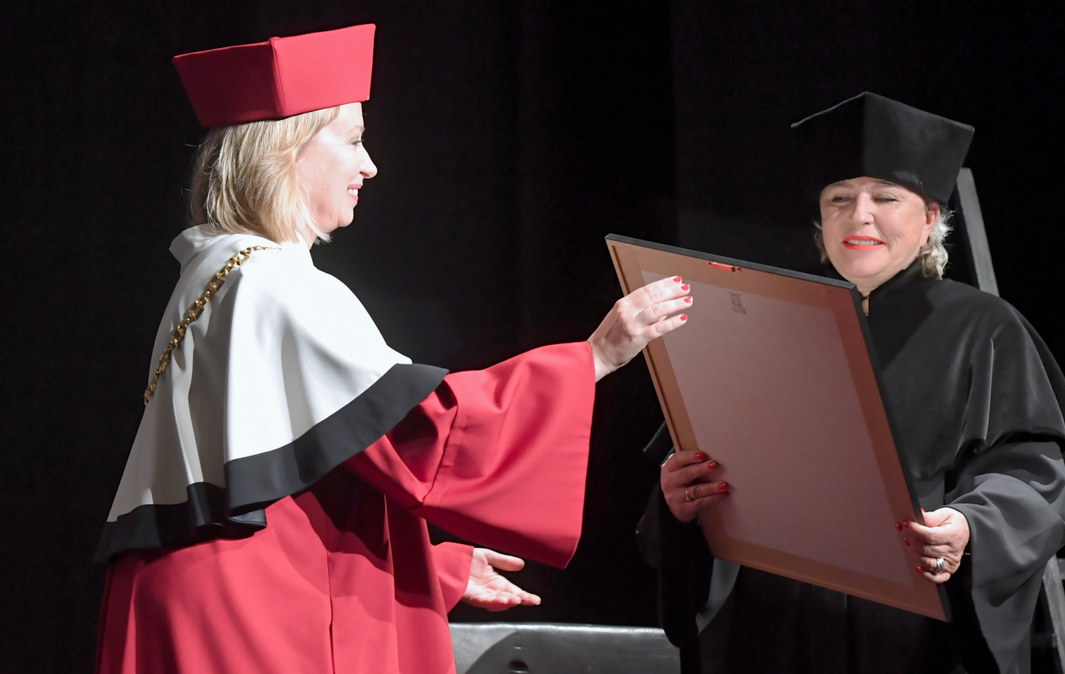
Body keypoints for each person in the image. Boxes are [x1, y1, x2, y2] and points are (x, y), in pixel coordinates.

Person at [95, 24, 692, 674]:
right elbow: (422, 435)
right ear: (285, 151)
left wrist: (429, 566)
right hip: (244, 612)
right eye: (351, 140)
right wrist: (596, 356)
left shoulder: (211, 275)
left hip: (204, 593)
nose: (369, 164)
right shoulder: (276, 284)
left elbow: (297, 485)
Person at [638, 92, 1065, 673]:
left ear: (930, 216)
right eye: (839, 199)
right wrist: (678, 503)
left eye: (885, 196)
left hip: (908, 632)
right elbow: (696, 469)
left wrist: (968, 526)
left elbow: (1032, 481)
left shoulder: (984, 326)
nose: (860, 215)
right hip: (765, 628)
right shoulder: (758, 317)